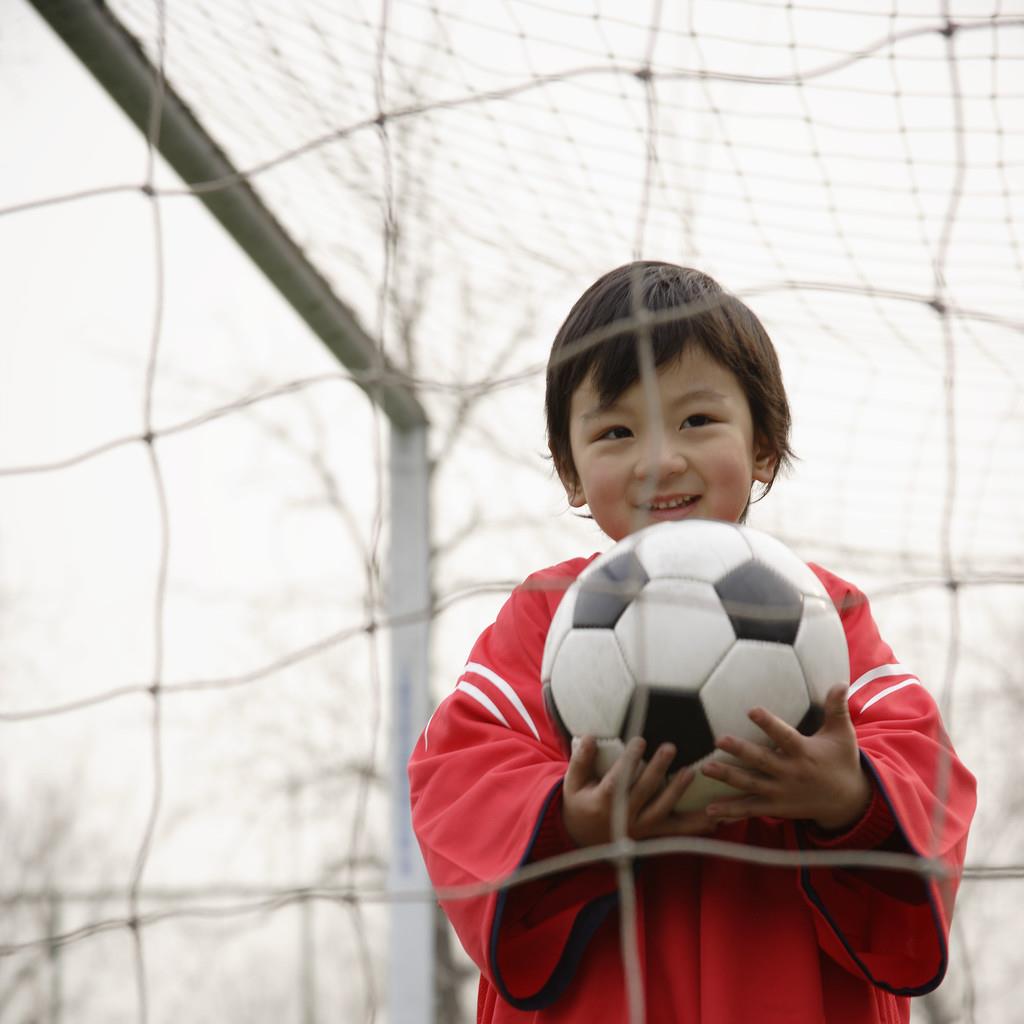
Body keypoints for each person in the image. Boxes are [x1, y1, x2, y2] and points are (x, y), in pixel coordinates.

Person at [408, 261, 976, 1023]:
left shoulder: (820, 611)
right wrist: (570, 821)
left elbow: (919, 755)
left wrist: (849, 797)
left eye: (697, 422)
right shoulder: (547, 615)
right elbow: (458, 771)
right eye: (616, 432)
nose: (659, 460)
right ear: (571, 471)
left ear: (765, 446)